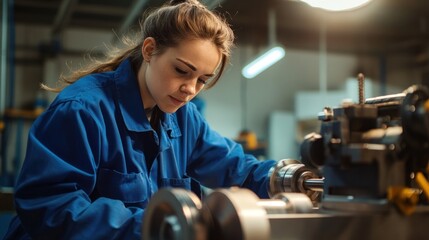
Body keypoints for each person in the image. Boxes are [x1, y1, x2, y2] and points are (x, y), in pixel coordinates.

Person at [4, 0, 277, 239]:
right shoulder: (82, 110)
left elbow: (236, 167)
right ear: (149, 50)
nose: (190, 89)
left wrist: (285, 178)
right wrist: (158, 227)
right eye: (182, 70)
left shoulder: (184, 118)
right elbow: (52, 207)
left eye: (202, 80)